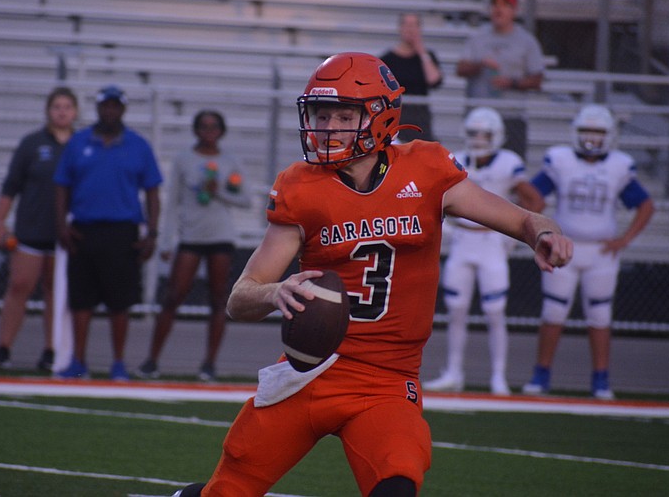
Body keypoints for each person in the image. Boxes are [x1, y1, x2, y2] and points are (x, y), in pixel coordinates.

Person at [173, 52, 572, 497]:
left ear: (382, 117)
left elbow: (521, 219)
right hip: (311, 371)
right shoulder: (301, 186)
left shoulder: (427, 169)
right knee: (228, 490)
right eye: (321, 115)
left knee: (397, 483)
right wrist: (275, 293)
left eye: (344, 115)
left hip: (387, 380)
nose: (327, 128)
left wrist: (544, 232)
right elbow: (240, 298)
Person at [522, 104, 654, 400]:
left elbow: (645, 205)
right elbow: (532, 194)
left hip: (600, 251)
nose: (591, 137)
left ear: (610, 135)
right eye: (586, 130)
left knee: (600, 315)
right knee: (553, 311)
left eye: (597, 131)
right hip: (565, 246)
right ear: (575, 132)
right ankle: (541, 375)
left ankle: (601, 379)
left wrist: (624, 239)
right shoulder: (560, 159)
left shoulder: (619, 165)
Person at [424, 107, 545, 396]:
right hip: (462, 242)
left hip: (491, 241)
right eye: (473, 133)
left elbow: (534, 200)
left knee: (494, 311)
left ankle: (498, 377)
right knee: (456, 311)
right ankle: (453, 373)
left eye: (484, 134)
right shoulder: (455, 160)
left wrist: (517, 233)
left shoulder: (508, 162)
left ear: (498, 136)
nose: (478, 139)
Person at [53, 84, 162, 380]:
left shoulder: (137, 145)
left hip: (121, 231)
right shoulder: (79, 142)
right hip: (84, 229)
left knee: (120, 302)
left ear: (123, 109)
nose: (110, 111)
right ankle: (78, 361)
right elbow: (62, 184)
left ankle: (118, 363)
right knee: (81, 301)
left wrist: (151, 232)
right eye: (105, 105)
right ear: (98, 108)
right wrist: (62, 224)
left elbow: (152, 190)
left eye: (115, 106)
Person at [135, 110, 251, 382]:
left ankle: (209, 363)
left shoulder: (230, 160)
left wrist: (219, 191)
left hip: (220, 236)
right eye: (204, 126)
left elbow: (245, 199)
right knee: (173, 296)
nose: (209, 131)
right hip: (191, 237)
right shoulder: (184, 159)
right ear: (196, 129)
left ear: (221, 130)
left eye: (214, 126)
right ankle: (152, 360)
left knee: (218, 299)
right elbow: (173, 201)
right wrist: (166, 240)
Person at [0, 87, 78, 371]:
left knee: (56, 293)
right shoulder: (32, 143)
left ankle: (51, 349)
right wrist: (0, 222)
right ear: (48, 111)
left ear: (75, 112)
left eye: (67, 107)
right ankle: (4, 346)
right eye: (57, 107)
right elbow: (11, 186)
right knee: (19, 287)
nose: (61, 112)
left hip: (65, 234)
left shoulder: (81, 144)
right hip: (31, 228)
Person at [456, 0, 545, 157]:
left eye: (505, 5)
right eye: (495, 4)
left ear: (514, 10)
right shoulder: (478, 37)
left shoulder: (526, 40)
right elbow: (460, 69)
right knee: (475, 167)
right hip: (479, 117)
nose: (499, 9)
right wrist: (480, 65)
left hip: (510, 116)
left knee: (512, 166)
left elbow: (537, 79)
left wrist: (511, 83)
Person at [379, 12, 443, 142]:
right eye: (407, 24)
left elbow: (434, 80)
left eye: (414, 25)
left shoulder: (427, 56)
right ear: (400, 28)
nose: (410, 29)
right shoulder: (387, 59)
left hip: (420, 118)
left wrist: (421, 51)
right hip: (396, 116)